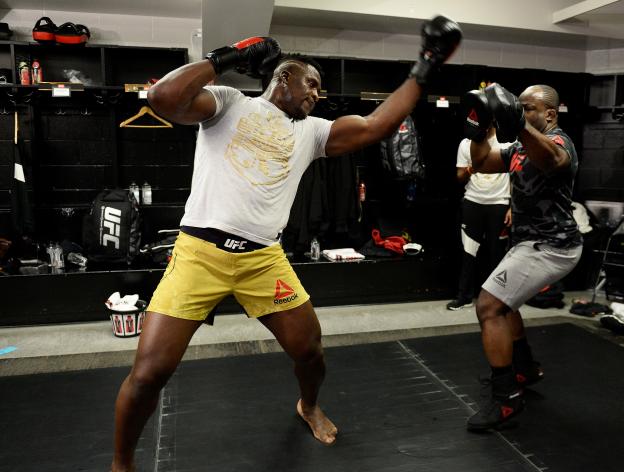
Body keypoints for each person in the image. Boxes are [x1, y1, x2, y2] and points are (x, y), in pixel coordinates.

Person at [111, 16, 462, 471]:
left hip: (263, 259)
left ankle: (308, 405)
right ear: (283, 76)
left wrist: (426, 66)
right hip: (199, 254)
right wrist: (228, 57)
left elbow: (376, 124)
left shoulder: (312, 131)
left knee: (310, 351)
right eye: (311, 84)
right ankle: (121, 463)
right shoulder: (227, 101)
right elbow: (161, 98)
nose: (317, 94)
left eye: (320, 90)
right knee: (149, 374)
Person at [464, 83, 583, 431]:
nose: (521, 112)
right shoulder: (518, 145)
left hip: (553, 246)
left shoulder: (560, 143)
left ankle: (506, 399)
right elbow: (482, 163)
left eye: (528, 108)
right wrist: (479, 129)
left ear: (550, 114)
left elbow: (552, 160)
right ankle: (525, 368)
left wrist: (517, 122)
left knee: (488, 306)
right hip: (526, 243)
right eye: (519, 107)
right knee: (506, 302)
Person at [447, 126, 512, 310]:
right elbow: (460, 176)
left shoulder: (508, 143)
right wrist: (473, 167)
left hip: (500, 203)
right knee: (468, 252)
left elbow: (516, 176)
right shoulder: (466, 144)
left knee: (497, 254)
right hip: (472, 202)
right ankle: (464, 297)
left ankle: (497, 300)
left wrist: (512, 208)